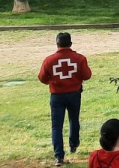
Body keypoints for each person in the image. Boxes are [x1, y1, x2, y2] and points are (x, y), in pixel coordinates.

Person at [39, 32, 92, 166]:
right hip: (74, 94)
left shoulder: (49, 60)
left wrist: (52, 82)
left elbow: (42, 78)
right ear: (71, 44)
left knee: (56, 126)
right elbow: (87, 75)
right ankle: (73, 144)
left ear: (57, 44)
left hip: (57, 96)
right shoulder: (80, 58)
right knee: (74, 119)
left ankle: (58, 157)